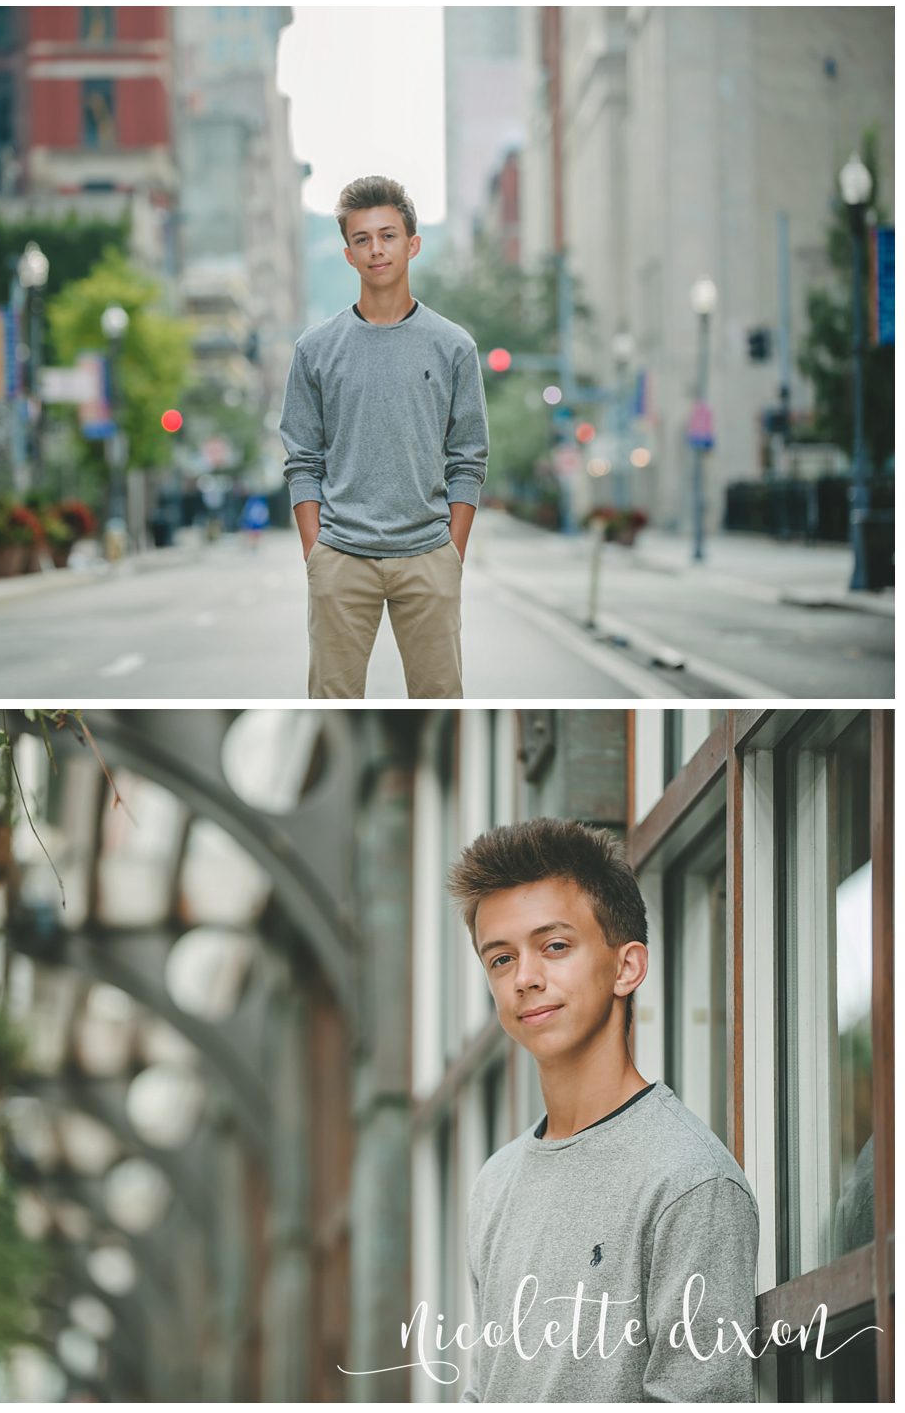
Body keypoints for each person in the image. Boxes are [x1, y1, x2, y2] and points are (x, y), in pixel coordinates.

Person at [448, 819, 759, 1401]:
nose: (526, 979)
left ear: (626, 967)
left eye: (555, 947)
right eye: (500, 959)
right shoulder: (495, 1184)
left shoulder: (690, 1181)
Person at [280, 175, 489, 698]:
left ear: (412, 244)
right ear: (348, 254)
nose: (376, 249)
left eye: (388, 235)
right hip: (341, 556)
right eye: (362, 239)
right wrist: (317, 553)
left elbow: (468, 459)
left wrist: (451, 553)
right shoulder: (315, 350)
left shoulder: (454, 347)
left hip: (427, 555)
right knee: (332, 707)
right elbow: (302, 460)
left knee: (441, 706)